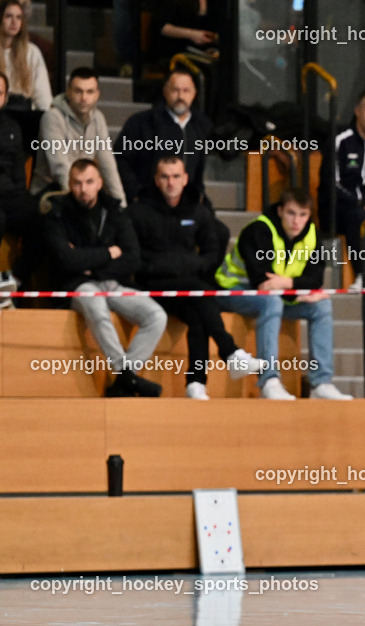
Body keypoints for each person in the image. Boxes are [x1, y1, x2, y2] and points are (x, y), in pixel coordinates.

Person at [130, 156, 265, 399]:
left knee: (199, 314)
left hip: (185, 288)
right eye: (165, 177)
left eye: (176, 176)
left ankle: (196, 383)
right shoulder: (139, 211)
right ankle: (230, 352)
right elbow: (134, 259)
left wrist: (194, 265)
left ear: (185, 179)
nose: (171, 182)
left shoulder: (197, 210)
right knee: (200, 290)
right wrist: (181, 266)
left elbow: (213, 250)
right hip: (150, 286)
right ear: (156, 181)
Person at [43, 159, 167, 397]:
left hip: (112, 282)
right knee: (97, 305)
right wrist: (109, 253)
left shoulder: (114, 210)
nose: (83, 188)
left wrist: (89, 263)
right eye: (77, 183)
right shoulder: (57, 213)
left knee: (156, 315)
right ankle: (126, 376)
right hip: (76, 285)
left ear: (100, 183)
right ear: (69, 184)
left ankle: (124, 381)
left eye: (89, 182)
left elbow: (132, 258)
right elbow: (66, 261)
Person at [216, 188, 351, 401]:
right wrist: (296, 293)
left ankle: (320, 383)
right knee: (271, 301)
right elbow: (260, 282)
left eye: (303, 215)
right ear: (280, 211)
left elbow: (315, 279)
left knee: (322, 305)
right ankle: (269, 380)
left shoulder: (312, 234)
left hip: (277, 295)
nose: (297, 221)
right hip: (232, 291)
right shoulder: (258, 230)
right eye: (291, 213)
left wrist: (287, 283)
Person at [318, 88, 365, 287]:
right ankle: (363, 277)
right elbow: (331, 185)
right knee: (357, 215)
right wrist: (362, 206)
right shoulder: (340, 140)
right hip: (335, 210)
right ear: (357, 111)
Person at [116, 69, 213, 204]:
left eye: (186, 91)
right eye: (175, 90)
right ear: (165, 91)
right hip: (149, 203)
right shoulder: (142, 122)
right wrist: (136, 194)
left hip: (187, 204)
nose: (180, 96)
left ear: (194, 93)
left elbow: (198, 171)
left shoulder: (201, 125)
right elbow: (121, 160)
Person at [30, 67, 125, 204]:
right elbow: (60, 167)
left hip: (82, 190)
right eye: (78, 91)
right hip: (50, 191)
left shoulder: (98, 119)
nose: (84, 98)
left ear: (97, 94)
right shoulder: (52, 117)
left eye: (89, 92)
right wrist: (81, 199)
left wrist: (121, 205)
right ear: (68, 92)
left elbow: (108, 165)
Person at [0, 68, 38, 288]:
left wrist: (21, 197)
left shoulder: (12, 127)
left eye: (0, 93)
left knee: (43, 219)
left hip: (9, 194)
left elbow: (17, 171)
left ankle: (17, 278)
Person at [0, 0, 50, 111]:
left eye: (18, 17)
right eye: (8, 16)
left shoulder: (32, 52)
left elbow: (43, 97)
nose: (14, 22)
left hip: (23, 114)